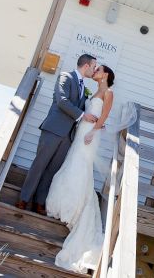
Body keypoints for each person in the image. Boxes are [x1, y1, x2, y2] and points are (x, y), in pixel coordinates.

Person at [46, 65, 115, 273]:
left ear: (106, 75)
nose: (95, 71)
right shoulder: (95, 91)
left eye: (98, 69)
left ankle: (74, 208)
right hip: (82, 131)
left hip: (90, 135)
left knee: (80, 165)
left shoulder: (109, 93)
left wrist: (93, 132)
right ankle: (65, 202)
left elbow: (104, 116)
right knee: (72, 162)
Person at [15, 54, 98, 214]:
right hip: (53, 129)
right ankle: (24, 199)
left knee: (52, 170)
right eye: (94, 66)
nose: (94, 70)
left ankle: (39, 202)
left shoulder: (83, 87)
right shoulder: (65, 77)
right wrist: (82, 115)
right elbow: (62, 101)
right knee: (39, 165)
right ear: (86, 65)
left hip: (68, 136)